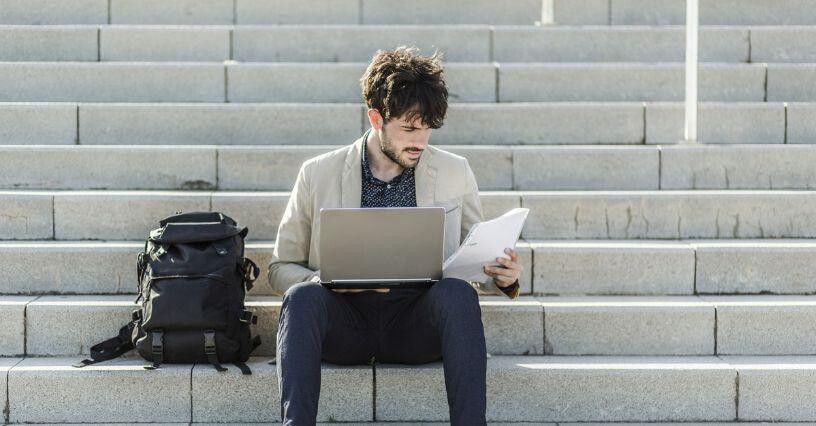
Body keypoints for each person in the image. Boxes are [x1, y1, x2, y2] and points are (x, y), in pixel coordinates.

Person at [268, 46, 523, 426]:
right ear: (376, 118)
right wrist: (321, 280)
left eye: (428, 128)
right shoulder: (318, 173)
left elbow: (475, 259)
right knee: (301, 298)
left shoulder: (455, 171)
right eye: (409, 128)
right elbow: (279, 269)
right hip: (345, 322)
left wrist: (503, 276)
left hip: (415, 324)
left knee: (458, 294)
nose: (421, 141)